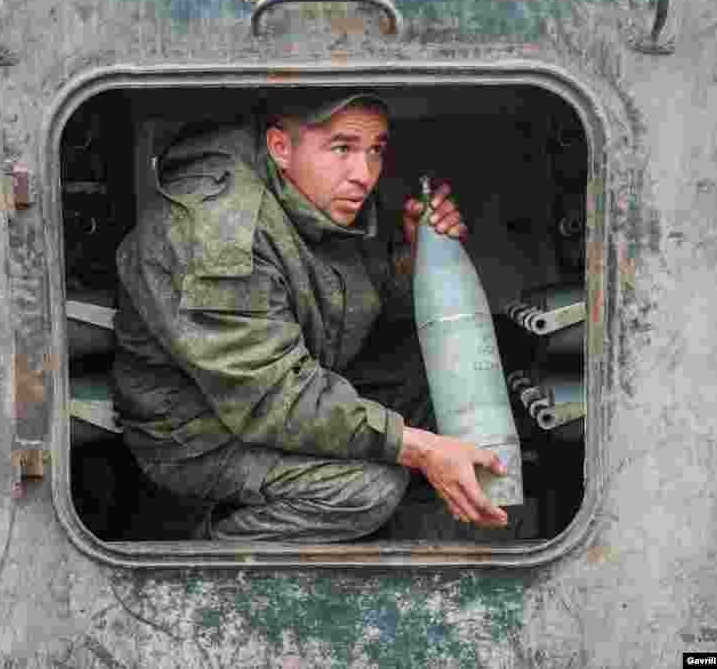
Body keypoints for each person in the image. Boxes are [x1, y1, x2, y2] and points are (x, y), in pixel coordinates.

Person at [113, 92, 509, 542]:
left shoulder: (317, 194)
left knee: (441, 385)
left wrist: (414, 258)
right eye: (342, 148)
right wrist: (416, 449)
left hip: (285, 388)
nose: (363, 174)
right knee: (367, 490)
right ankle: (202, 556)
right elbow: (272, 399)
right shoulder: (220, 228)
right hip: (199, 434)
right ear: (281, 147)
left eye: (375, 150)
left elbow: (347, 300)